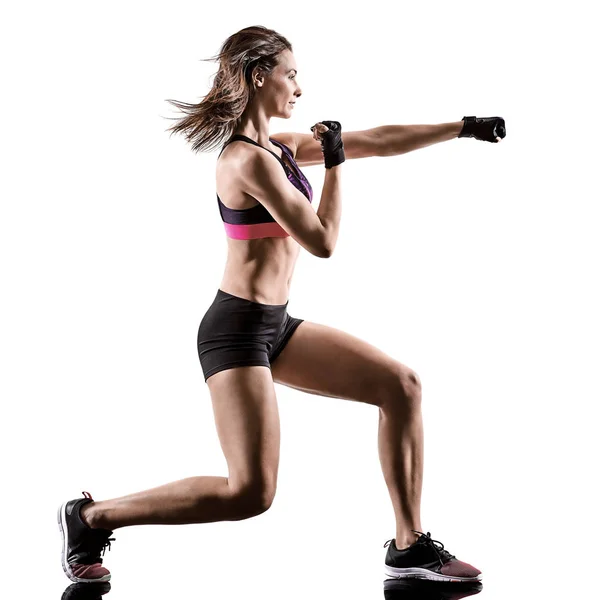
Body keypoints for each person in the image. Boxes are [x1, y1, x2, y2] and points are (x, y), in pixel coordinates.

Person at [57, 25, 505, 585]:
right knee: (250, 492)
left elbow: (378, 139)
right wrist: (337, 164)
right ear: (258, 75)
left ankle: (409, 544)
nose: (298, 86)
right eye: (290, 73)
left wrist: (462, 128)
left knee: (401, 385)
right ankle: (91, 516)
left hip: (277, 324)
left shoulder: (281, 148)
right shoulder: (248, 163)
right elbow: (322, 241)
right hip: (236, 331)